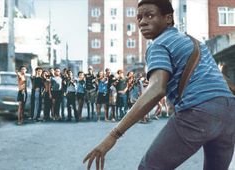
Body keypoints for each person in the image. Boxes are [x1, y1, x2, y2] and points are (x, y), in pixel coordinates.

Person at [83, 0, 235, 169]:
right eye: (139, 17)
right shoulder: (196, 43)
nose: (142, 22)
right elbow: (224, 82)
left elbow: (156, 89)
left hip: (197, 111)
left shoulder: (159, 44)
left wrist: (113, 135)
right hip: (229, 113)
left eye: (149, 15)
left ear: (168, 18)